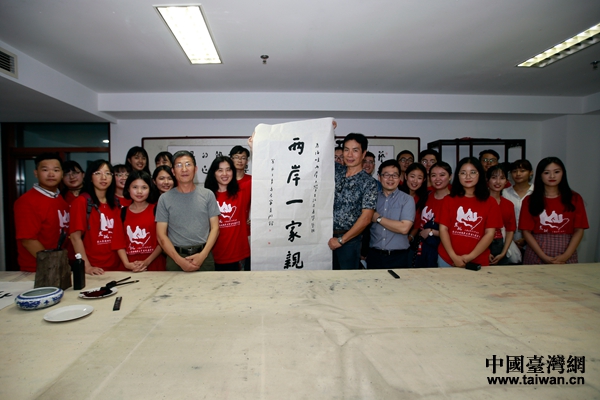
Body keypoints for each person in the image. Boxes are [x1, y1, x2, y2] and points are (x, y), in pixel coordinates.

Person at [156, 150, 220, 272]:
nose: (184, 169)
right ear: (173, 171)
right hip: (175, 257)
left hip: (204, 255)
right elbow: (161, 235)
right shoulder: (164, 199)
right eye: (179, 165)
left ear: (195, 169)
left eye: (188, 164)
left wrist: (202, 256)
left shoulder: (208, 195)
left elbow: (215, 228)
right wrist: (179, 261)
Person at [520, 157, 589, 264]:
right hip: (536, 252)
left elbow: (579, 230)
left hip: (567, 251)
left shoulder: (575, 198)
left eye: (556, 172)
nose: (552, 176)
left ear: (563, 173)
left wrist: (566, 256)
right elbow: (526, 232)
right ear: (540, 175)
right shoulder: (529, 200)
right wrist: (543, 257)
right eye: (546, 173)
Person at [437, 157, 502, 267]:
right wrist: (454, 257)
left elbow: (490, 234)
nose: (468, 177)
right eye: (463, 173)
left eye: (472, 172)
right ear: (458, 175)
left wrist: (469, 257)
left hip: (477, 260)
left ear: (480, 174)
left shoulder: (490, 202)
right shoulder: (448, 200)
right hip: (447, 259)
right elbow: (443, 229)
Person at [329, 133, 378, 270]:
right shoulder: (336, 171)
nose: (350, 155)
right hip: (326, 237)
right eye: (346, 150)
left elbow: (366, 218)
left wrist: (341, 240)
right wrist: (327, 129)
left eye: (355, 150)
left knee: (346, 280)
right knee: (324, 279)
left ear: (363, 154)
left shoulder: (369, 183)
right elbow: (318, 153)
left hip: (349, 241)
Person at [14, 153, 70, 272]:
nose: (51, 174)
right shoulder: (27, 201)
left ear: (61, 174)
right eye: (45, 170)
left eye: (56, 170)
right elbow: (28, 240)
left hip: (58, 266)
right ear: (36, 173)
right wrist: (52, 264)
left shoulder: (60, 199)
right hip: (37, 269)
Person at [69, 159, 120, 275]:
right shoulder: (81, 202)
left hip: (117, 266)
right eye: (98, 173)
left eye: (108, 173)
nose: (103, 177)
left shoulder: (115, 202)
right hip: (94, 267)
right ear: (90, 177)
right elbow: (75, 237)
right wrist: (87, 267)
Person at [204, 156, 251, 271]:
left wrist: (255, 149)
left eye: (228, 169)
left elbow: (264, 177)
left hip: (240, 255)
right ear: (213, 173)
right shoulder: (206, 196)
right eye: (220, 170)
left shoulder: (242, 191)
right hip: (214, 256)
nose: (225, 174)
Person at [112, 171, 165, 271]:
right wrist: (127, 264)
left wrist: (146, 262)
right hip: (129, 267)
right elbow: (118, 243)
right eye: (135, 187)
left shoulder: (157, 210)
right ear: (128, 188)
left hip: (155, 265)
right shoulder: (121, 213)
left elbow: (162, 241)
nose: (139, 191)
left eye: (144, 187)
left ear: (150, 189)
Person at [366, 160, 414, 269]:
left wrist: (378, 218)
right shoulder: (372, 198)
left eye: (394, 175)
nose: (391, 179)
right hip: (374, 255)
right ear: (379, 177)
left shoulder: (407, 199)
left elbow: (404, 228)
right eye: (386, 175)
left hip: (398, 257)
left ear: (400, 177)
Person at [414, 161, 452, 268]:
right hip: (422, 249)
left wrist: (432, 232)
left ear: (450, 177)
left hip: (444, 252)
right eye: (434, 175)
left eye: (442, 175)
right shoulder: (426, 196)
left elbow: (457, 233)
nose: (437, 179)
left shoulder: (455, 200)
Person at [486, 164, 517, 265]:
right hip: (481, 246)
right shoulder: (479, 202)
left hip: (501, 246)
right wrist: (485, 252)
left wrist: (503, 252)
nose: (498, 182)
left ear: (507, 181)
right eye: (494, 178)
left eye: (502, 178)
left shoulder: (508, 204)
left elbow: (510, 230)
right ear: (487, 180)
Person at [502, 159, 534, 251]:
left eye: (522, 171)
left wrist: (525, 239)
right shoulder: (504, 193)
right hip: (507, 241)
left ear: (531, 172)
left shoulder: (537, 193)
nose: (518, 174)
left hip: (533, 241)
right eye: (514, 171)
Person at [400, 163, 428, 264]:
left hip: (409, 243)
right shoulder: (397, 193)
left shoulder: (423, 198)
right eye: (412, 176)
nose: (415, 181)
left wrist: (409, 238)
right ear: (406, 176)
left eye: (419, 178)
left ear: (424, 180)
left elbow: (417, 224)